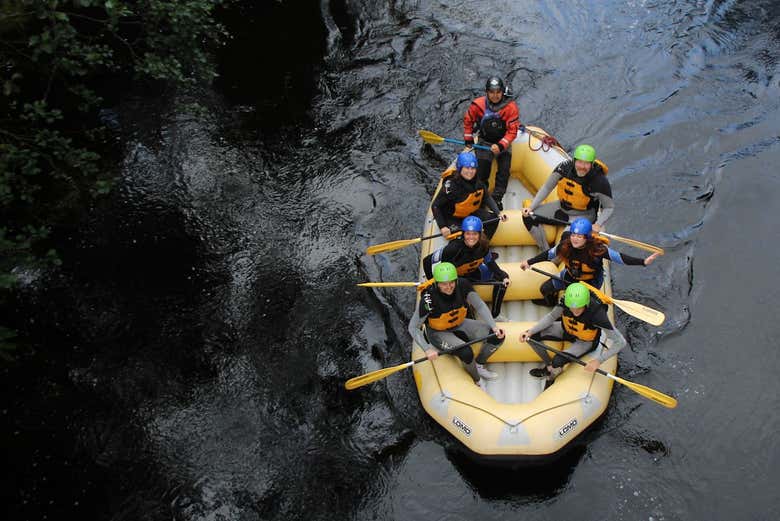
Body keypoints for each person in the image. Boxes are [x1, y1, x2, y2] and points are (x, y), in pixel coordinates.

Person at [519, 218, 660, 306]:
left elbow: (620, 258)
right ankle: (550, 303)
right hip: (569, 276)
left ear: (586, 238)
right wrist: (530, 262)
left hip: (590, 283)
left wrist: (643, 262)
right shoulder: (565, 245)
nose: (575, 239)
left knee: (577, 305)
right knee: (545, 289)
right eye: (573, 235)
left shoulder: (597, 250)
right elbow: (548, 254)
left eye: (579, 236)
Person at [408, 262, 506, 388]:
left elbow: (480, 305)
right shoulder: (429, 299)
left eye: (451, 282)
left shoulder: (463, 285)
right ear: (437, 283)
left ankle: (479, 363)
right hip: (438, 333)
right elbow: (413, 327)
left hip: (460, 324)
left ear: (456, 280)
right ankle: (477, 380)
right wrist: (427, 349)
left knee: (498, 337)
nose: (448, 287)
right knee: (466, 352)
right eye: (444, 284)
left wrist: (494, 326)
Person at [519, 282, 627, 381]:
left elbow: (620, 342)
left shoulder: (598, 315)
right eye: (572, 308)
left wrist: (599, 360)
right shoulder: (566, 301)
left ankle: (552, 369)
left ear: (585, 303)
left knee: (558, 360)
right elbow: (552, 316)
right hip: (565, 329)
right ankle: (548, 363)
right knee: (532, 337)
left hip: (585, 342)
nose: (575, 311)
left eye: (579, 308)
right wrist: (530, 332)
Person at [521, 144, 614, 250]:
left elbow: (609, 207)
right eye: (579, 162)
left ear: (592, 164)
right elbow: (547, 187)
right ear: (574, 161)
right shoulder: (564, 168)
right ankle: (545, 250)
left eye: (586, 164)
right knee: (528, 217)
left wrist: (598, 224)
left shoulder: (599, 181)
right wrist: (531, 207)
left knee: (568, 238)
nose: (582, 167)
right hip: (561, 207)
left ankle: (555, 260)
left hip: (584, 215)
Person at [422, 216, 511, 319]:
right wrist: (434, 283)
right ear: (463, 234)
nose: (471, 238)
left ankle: (495, 315)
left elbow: (490, 261)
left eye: (474, 234)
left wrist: (502, 276)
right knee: (463, 302)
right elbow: (427, 261)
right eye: (468, 234)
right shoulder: (454, 249)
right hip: (456, 279)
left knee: (502, 278)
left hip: (473, 272)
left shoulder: (483, 244)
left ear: (479, 234)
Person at [463, 76, 521, 209]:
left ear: (502, 92)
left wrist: (501, 145)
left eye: (498, 92)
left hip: (503, 143)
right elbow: (468, 121)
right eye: (492, 92)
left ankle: (497, 198)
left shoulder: (510, 108)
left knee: (504, 172)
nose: (495, 95)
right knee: (482, 173)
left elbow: (512, 132)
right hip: (484, 142)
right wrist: (468, 138)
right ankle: (482, 197)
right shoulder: (477, 105)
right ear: (487, 92)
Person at [431, 150, 506, 239]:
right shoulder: (451, 186)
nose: (470, 172)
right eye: (467, 168)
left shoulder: (478, 183)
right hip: (454, 218)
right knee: (464, 236)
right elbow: (436, 206)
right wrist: (442, 226)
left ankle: (483, 244)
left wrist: (498, 213)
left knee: (493, 220)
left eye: (473, 168)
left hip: (471, 212)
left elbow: (487, 197)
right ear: (460, 168)